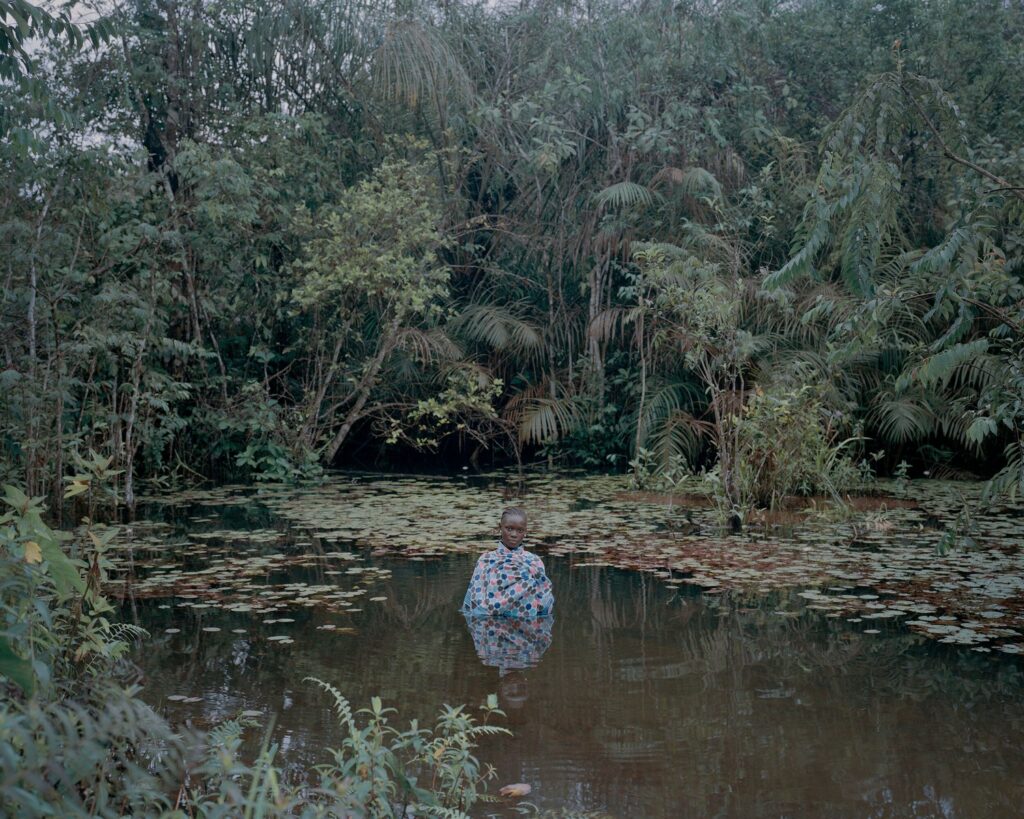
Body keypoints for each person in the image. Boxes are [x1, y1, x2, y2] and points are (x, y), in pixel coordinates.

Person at [461, 507, 554, 619]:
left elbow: (544, 601)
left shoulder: (534, 561)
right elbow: (476, 600)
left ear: (525, 532)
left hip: (527, 626)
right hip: (491, 626)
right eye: (509, 529)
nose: (514, 534)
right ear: (500, 528)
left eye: (520, 530)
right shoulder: (486, 560)